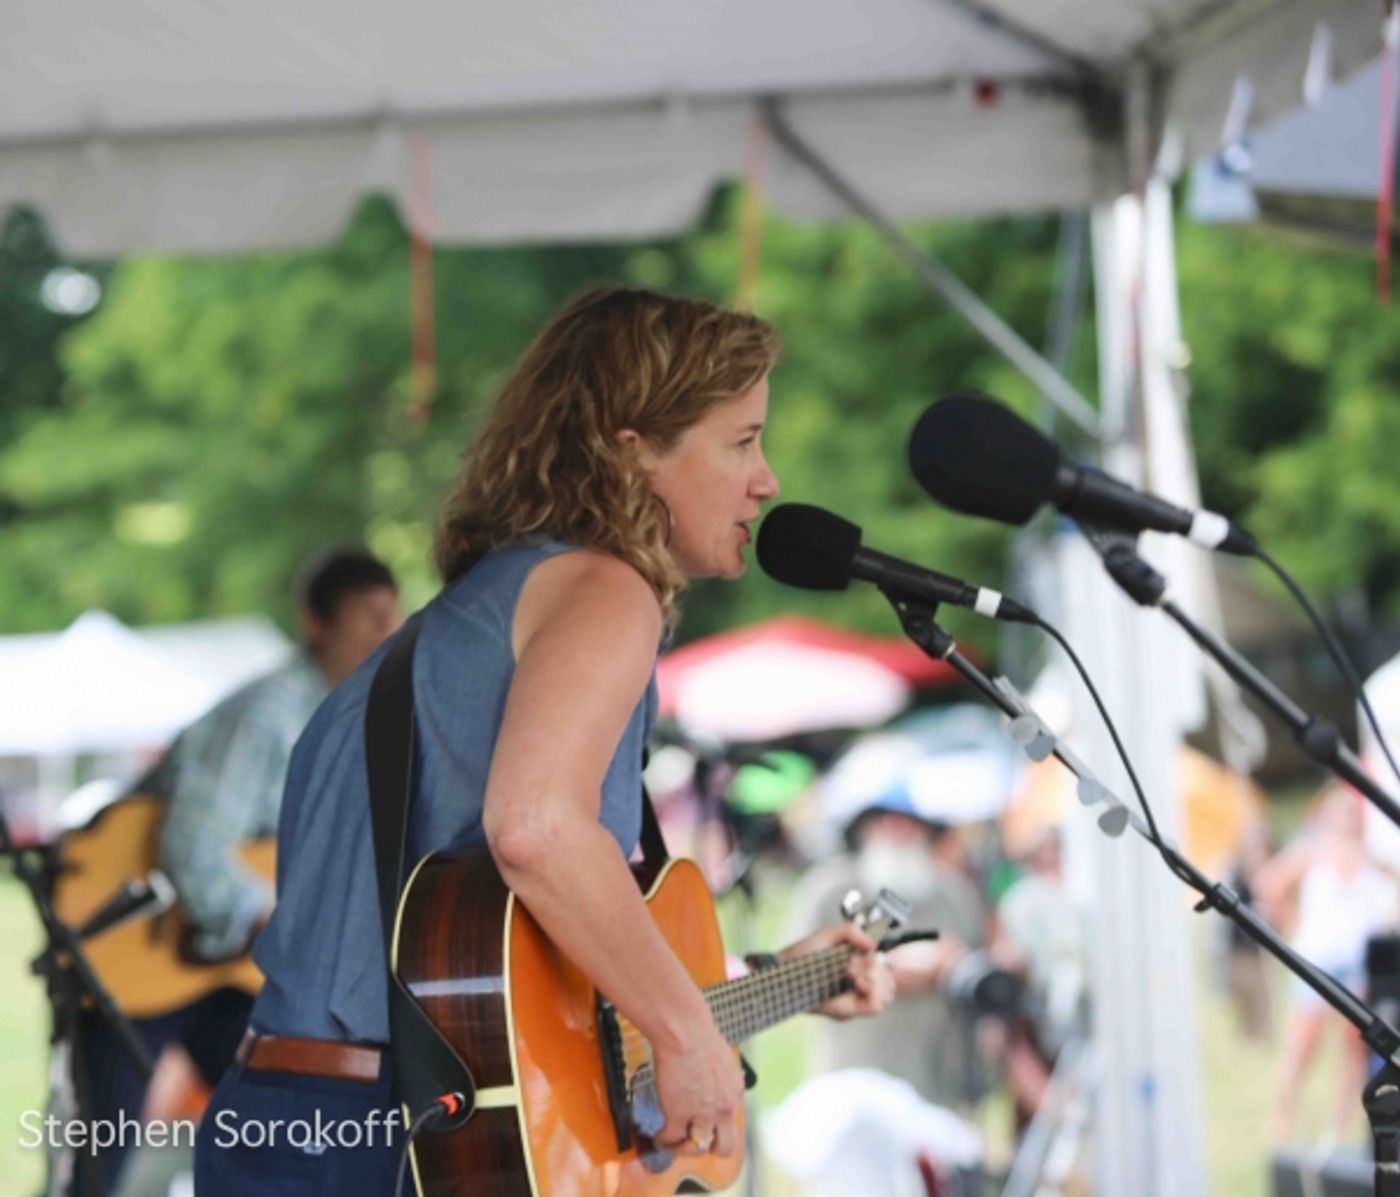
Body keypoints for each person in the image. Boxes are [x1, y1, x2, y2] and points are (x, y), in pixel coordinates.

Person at [194, 287, 895, 1195]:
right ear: (632, 449)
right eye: (743, 440)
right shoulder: (606, 592)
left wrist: (765, 980)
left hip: (293, 1114)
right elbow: (535, 827)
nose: (767, 480)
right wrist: (686, 1034)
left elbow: (526, 988)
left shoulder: (468, 626)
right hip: (389, 1138)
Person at [77, 547, 402, 1195]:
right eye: (368, 614)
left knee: (278, 1131)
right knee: (95, 1165)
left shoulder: (345, 717)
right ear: (317, 622)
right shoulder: (269, 711)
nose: (386, 632)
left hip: (221, 972)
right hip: (140, 956)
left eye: (393, 615)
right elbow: (194, 844)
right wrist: (276, 923)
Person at [790, 801, 990, 1111]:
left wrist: (952, 964)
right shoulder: (831, 891)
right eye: (885, 818)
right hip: (852, 1083)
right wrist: (888, 968)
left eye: (909, 819)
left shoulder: (953, 896)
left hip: (936, 1087)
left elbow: (979, 977)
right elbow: (794, 976)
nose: (898, 829)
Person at [1256, 783, 1400, 1143]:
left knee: (1354, 1046)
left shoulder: (1370, 856)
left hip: (1356, 963)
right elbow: (1268, 884)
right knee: (1303, 1041)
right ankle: (1283, 1117)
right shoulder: (1312, 850)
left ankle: (1339, 1124)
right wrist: (1290, 923)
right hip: (1317, 961)